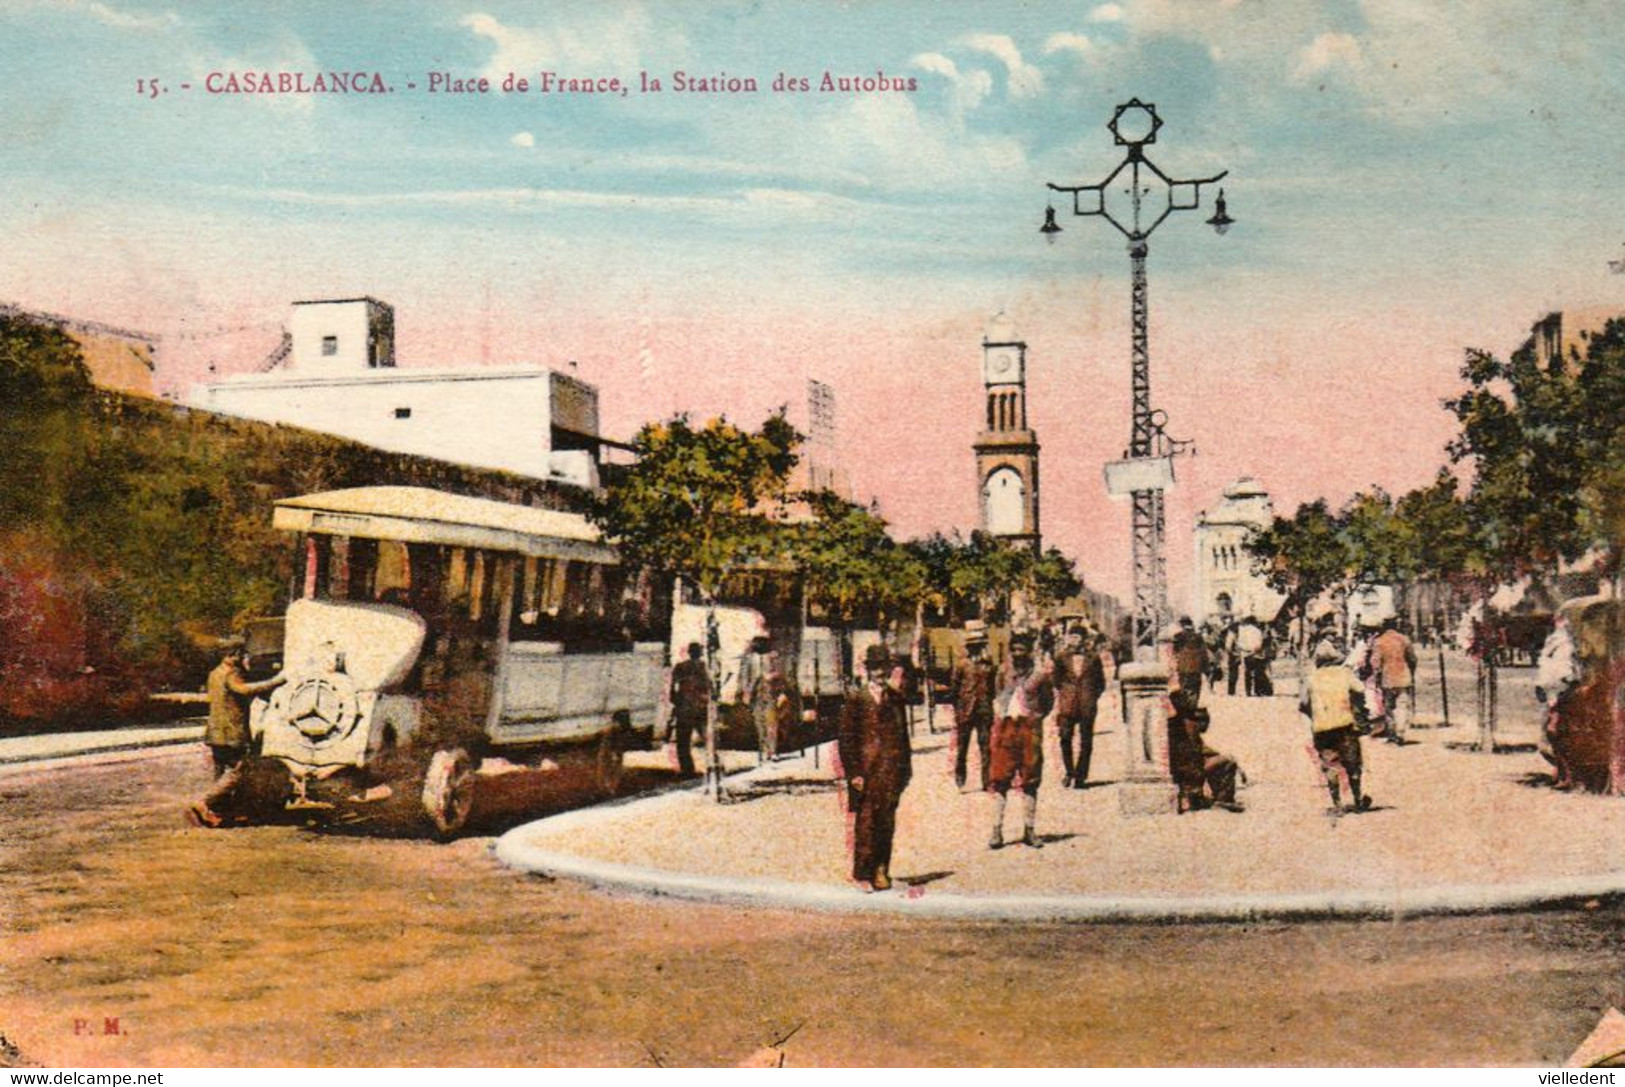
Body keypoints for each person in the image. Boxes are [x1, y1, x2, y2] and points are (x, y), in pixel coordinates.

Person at [837, 644, 912, 892]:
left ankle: (882, 869)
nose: (880, 673)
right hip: (866, 772)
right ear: (868, 670)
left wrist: (905, 769)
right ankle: (862, 873)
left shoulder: (896, 698)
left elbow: (903, 736)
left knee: (886, 822)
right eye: (875, 668)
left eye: (884, 668)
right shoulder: (857, 699)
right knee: (866, 822)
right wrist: (854, 773)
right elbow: (847, 740)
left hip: (890, 771)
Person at [190, 640, 285, 828]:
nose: (243, 658)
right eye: (241, 654)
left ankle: (217, 812)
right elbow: (244, 689)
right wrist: (277, 681)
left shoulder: (214, 673)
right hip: (231, 731)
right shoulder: (232, 673)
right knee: (238, 771)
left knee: (221, 772)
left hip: (215, 730)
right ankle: (204, 803)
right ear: (232, 654)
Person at [988, 632, 1055, 849]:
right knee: (999, 778)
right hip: (1006, 729)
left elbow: (1048, 702)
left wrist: (1034, 719)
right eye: (1014, 650)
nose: (1018, 654)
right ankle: (996, 830)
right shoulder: (1002, 673)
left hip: (1029, 730)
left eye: (1022, 650)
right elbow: (996, 694)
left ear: (1029, 651)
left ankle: (1029, 830)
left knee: (1031, 778)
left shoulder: (1040, 676)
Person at [1302, 638, 1373, 815]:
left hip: (1322, 727)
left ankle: (1337, 803)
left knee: (1330, 763)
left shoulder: (1311, 678)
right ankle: (1357, 799)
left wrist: (1315, 714)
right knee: (1352, 764)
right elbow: (1360, 690)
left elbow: (1303, 703)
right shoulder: (1345, 673)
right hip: (1345, 724)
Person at [1166, 688, 1243, 812]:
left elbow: (1201, 748)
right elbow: (1195, 751)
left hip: (1185, 770)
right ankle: (1223, 799)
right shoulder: (1186, 726)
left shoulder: (1177, 723)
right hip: (1189, 772)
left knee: (1223, 760)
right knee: (1227, 762)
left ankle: (1215, 798)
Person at [1054, 627, 1107, 789]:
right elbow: (1056, 680)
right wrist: (1065, 695)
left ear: (1083, 639)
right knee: (1065, 738)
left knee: (1086, 741)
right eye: (1071, 637)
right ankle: (1069, 771)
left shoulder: (1093, 658)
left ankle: (1081, 776)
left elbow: (1101, 683)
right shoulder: (1061, 657)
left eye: (1077, 637)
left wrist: (1090, 697)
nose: (1073, 640)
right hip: (1067, 704)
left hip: (1087, 705)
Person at [950, 630, 995, 791]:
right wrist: (958, 710)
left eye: (978, 646)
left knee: (985, 747)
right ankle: (960, 776)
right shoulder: (961, 665)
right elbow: (954, 689)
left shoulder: (988, 665)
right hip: (966, 711)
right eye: (972, 646)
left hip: (983, 711)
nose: (975, 649)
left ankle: (987, 780)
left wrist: (988, 704)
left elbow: (993, 688)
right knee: (963, 747)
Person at [1367, 618, 1417, 745]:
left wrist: (1376, 676)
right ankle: (1400, 732)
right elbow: (1412, 658)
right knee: (1402, 704)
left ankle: (1392, 733)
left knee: (1389, 707)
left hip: (1387, 677)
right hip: (1404, 676)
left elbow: (1375, 662)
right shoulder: (1404, 639)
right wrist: (1411, 671)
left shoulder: (1379, 641)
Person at [668, 642, 710, 776]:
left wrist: (677, 702)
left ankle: (687, 770)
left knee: (683, 742)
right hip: (701, 707)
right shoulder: (704, 667)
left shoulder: (680, 667)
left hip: (684, 708)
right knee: (707, 739)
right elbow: (710, 687)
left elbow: (672, 689)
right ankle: (713, 766)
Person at [1171, 616, 1209, 698]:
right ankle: (1194, 704)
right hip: (1196, 668)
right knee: (1195, 688)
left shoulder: (1178, 636)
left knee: (1184, 687)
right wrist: (1205, 668)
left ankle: (1186, 706)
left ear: (1181, 624)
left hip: (1183, 667)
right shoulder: (1198, 637)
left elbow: (1175, 652)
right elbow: (1204, 653)